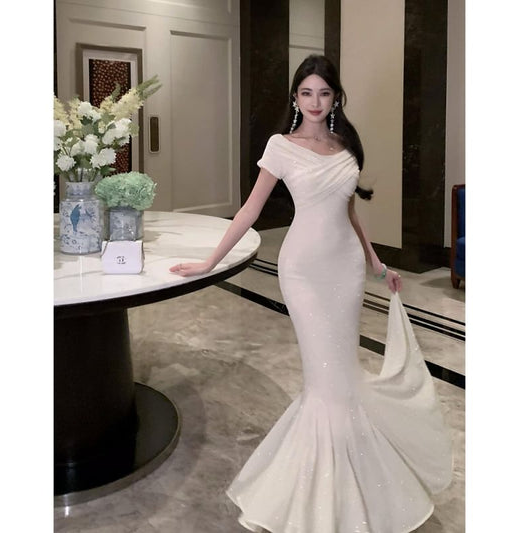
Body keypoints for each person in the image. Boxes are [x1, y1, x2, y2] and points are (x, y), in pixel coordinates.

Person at [170, 55, 452, 533]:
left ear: (335, 97)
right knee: (325, 383)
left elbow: (350, 213)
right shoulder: (281, 146)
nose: (315, 102)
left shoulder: (346, 144)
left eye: (323, 93)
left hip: (346, 271)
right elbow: (249, 211)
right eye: (306, 93)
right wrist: (209, 262)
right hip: (302, 272)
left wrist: (377, 263)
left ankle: (357, 486)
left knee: (344, 377)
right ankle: (319, 498)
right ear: (295, 98)